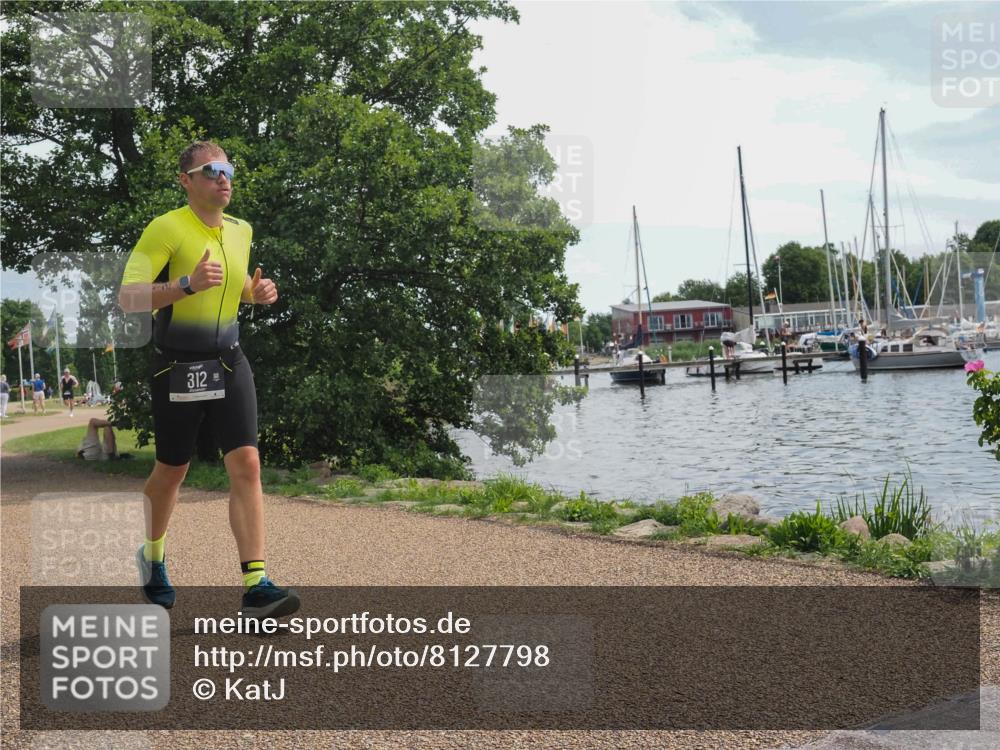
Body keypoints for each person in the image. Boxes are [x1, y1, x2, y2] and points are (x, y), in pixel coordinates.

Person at [118, 140, 296, 618]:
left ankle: (256, 585)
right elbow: (129, 298)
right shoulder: (167, 228)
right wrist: (185, 285)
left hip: (229, 360)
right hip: (176, 366)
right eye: (211, 170)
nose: (224, 178)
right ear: (187, 181)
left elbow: (233, 285)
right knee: (173, 470)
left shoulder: (241, 230)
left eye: (228, 169)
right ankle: (153, 557)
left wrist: (255, 294)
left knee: (248, 465)